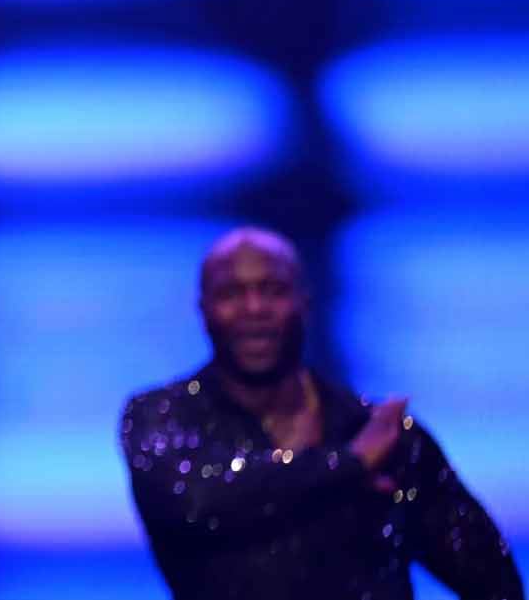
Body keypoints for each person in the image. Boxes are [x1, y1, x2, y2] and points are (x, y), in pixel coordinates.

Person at [120, 226, 523, 600]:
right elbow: (193, 502)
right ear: (204, 309)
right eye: (231, 294)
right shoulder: (162, 417)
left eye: (274, 290)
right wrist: (350, 464)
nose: (254, 308)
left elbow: (493, 581)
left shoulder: (381, 437)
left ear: (304, 303)